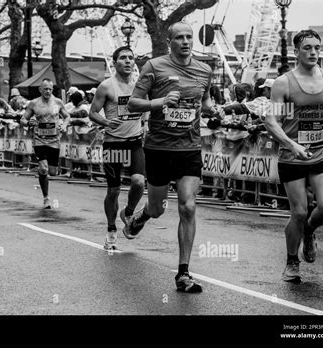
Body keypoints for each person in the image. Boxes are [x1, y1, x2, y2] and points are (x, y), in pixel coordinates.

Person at [127, 21, 224, 292]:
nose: (185, 41)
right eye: (179, 37)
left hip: (189, 148)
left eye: (189, 37)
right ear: (169, 41)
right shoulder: (154, 66)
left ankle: (183, 273)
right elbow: (134, 103)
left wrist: (214, 111)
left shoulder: (205, 69)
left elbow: (203, 103)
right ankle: (143, 216)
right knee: (158, 209)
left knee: (188, 206)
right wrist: (159, 102)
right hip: (158, 148)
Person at [265, 29, 323, 283]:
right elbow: (271, 121)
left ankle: (309, 231)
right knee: (298, 213)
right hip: (293, 157)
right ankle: (291, 261)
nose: (313, 53)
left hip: (321, 154)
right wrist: (292, 144)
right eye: (307, 48)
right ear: (297, 51)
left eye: (317, 48)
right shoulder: (284, 83)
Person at [89, 46, 146, 250]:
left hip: (134, 142)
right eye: (123, 58)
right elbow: (93, 113)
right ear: (114, 63)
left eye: (131, 58)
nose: (128, 61)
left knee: (139, 182)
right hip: (114, 144)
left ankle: (128, 211)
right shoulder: (106, 86)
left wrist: (145, 124)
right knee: (113, 190)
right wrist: (105, 123)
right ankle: (111, 228)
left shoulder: (140, 85)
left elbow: (145, 107)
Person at [20, 78, 70, 209]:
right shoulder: (34, 103)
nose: (48, 91)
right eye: (45, 89)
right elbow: (23, 119)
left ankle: (45, 178)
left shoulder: (58, 102)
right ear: (40, 90)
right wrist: (28, 122)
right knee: (43, 169)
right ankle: (46, 197)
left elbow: (67, 116)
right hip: (39, 140)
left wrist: (64, 125)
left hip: (54, 141)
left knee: (52, 172)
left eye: (50, 89)